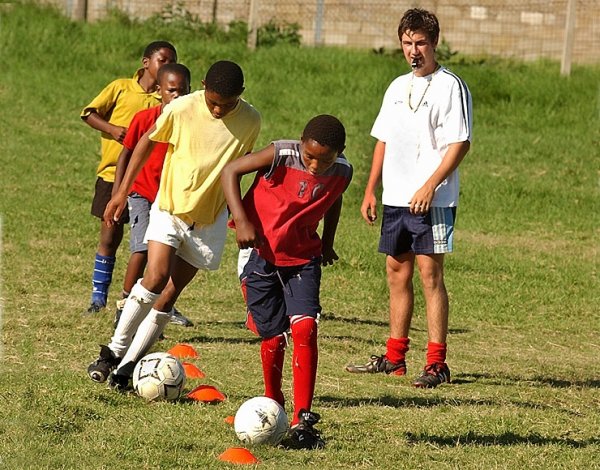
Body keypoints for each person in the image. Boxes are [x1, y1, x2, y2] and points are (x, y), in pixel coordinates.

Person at [86, 60, 261, 388]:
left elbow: (236, 168)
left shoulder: (251, 120)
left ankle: (127, 368)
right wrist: (121, 192)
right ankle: (112, 351)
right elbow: (146, 143)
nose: (219, 110)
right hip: (169, 207)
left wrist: (242, 215)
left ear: (241, 95)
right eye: (213, 102)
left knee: (169, 295)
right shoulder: (182, 108)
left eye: (228, 104)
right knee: (155, 276)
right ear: (204, 86)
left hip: (209, 220)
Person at [345, 8, 472, 388]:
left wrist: (430, 184)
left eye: (420, 43)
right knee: (395, 272)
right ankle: (394, 357)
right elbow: (382, 139)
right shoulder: (397, 87)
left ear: (434, 43)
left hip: (433, 200)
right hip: (395, 198)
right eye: (406, 43)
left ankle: (437, 363)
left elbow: (460, 143)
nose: (413, 50)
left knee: (430, 275)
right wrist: (370, 189)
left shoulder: (451, 86)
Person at [221, 115, 353, 449]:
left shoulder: (342, 172)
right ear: (301, 143)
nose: (315, 165)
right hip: (261, 255)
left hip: (303, 259)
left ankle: (302, 419)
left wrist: (327, 240)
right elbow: (230, 171)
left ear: (340, 152)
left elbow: (332, 199)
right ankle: (273, 404)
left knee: (305, 330)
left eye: (325, 159)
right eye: (310, 156)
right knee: (273, 338)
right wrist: (240, 218)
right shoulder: (280, 154)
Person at [81, 41, 178, 315]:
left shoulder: (170, 100)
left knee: (152, 247)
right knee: (110, 236)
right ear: (146, 62)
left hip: (151, 184)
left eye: (173, 60)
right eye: (163, 59)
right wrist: (112, 129)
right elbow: (88, 113)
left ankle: (144, 301)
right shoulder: (122, 87)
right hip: (114, 175)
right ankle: (98, 296)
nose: (168, 64)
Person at [112, 63, 193, 330]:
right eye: (172, 91)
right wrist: (119, 192)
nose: (177, 97)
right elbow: (126, 153)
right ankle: (125, 304)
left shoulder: (192, 124)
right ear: (159, 91)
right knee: (143, 249)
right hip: (142, 194)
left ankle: (158, 306)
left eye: (183, 91)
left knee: (166, 257)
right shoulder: (145, 119)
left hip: (171, 199)